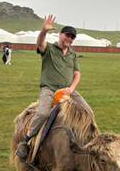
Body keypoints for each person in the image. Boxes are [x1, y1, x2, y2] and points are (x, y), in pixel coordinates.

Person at [15, 15, 89, 159]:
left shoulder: (72, 54)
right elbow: (40, 43)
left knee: (88, 111)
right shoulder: (49, 48)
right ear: (60, 35)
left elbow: (77, 73)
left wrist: (71, 89)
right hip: (49, 89)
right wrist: (43, 31)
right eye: (67, 35)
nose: (70, 39)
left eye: (72, 37)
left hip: (68, 90)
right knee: (42, 113)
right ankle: (26, 141)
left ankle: (88, 140)